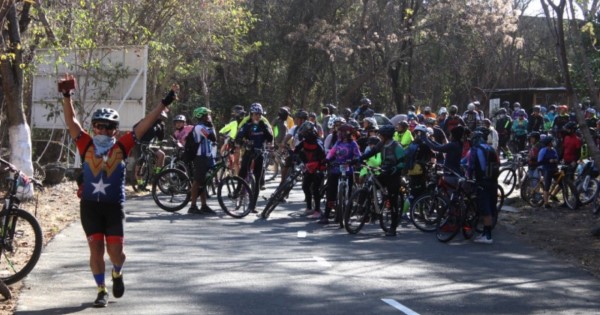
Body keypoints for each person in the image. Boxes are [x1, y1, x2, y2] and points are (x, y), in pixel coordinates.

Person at [61, 76, 179, 307]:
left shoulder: (122, 145)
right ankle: (101, 290)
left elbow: (144, 123)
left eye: (109, 127)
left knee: (116, 253)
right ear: (93, 127)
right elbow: (72, 121)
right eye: (99, 126)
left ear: (115, 130)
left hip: (114, 208)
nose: (103, 130)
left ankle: (117, 271)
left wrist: (163, 104)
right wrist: (67, 97)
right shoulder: (85, 143)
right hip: (90, 207)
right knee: (95, 251)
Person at [356, 125, 405, 236]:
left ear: (386, 136)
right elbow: (372, 152)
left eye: (381, 134)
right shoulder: (381, 144)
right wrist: (360, 158)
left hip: (393, 175)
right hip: (383, 172)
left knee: (393, 201)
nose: (379, 136)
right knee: (371, 184)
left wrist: (395, 168)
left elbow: (403, 162)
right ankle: (371, 208)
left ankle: (393, 227)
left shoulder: (396, 146)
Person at [236, 103, 274, 212]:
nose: (258, 116)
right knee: (243, 171)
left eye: (259, 114)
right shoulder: (247, 125)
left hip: (260, 154)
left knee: (257, 180)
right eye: (256, 114)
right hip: (248, 152)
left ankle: (253, 206)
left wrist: (264, 128)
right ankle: (238, 190)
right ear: (251, 114)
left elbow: (270, 138)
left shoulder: (264, 124)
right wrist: (241, 143)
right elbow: (239, 137)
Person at [321, 123, 361, 225]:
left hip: (348, 169)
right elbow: (332, 152)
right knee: (331, 192)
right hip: (336, 168)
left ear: (347, 133)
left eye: (341, 132)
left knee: (349, 193)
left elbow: (358, 155)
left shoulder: (353, 144)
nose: (339, 134)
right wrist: (327, 159)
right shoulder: (338, 143)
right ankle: (326, 215)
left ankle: (347, 216)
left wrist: (355, 161)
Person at [466, 129, 499, 244]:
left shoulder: (475, 149)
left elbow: (471, 166)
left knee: (485, 210)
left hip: (482, 182)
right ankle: (485, 232)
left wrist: (468, 178)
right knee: (490, 206)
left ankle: (488, 236)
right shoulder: (491, 148)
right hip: (493, 182)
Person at [188, 107, 217, 215]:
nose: (208, 117)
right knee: (197, 181)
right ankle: (193, 206)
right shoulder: (199, 127)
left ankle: (204, 205)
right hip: (200, 157)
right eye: (206, 115)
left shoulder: (205, 126)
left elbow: (215, 138)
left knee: (204, 182)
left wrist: (211, 125)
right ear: (201, 116)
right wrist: (211, 126)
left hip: (207, 156)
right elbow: (212, 137)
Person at [293, 122, 326, 218]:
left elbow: (323, 158)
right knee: (305, 186)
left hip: (318, 169)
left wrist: (317, 166)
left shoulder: (318, 143)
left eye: (304, 133)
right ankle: (309, 207)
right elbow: (296, 151)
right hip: (308, 168)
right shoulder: (304, 143)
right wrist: (298, 160)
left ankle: (317, 210)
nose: (303, 135)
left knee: (316, 189)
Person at [134, 111, 167, 190]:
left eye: (162, 117)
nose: (160, 118)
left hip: (150, 145)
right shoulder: (146, 120)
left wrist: (162, 130)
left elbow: (160, 138)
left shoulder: (160, 125)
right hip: (140, 143)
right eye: (159, 116)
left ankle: (157, 173)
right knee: (140, 163)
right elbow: (134, 128)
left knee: (161, 155)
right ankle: (140, 184)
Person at [537, 136, 559, 208]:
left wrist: (555, 160)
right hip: (547, 169)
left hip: (554, 169)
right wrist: (548, 161)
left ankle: (553, 195)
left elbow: (557, 158)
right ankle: (546, 203)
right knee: (547, 186)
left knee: (560, 182)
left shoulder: (554, 150)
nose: (553, 142)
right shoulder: (543, 150)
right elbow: (540, 161)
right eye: (552, 141)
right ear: (548, 143)